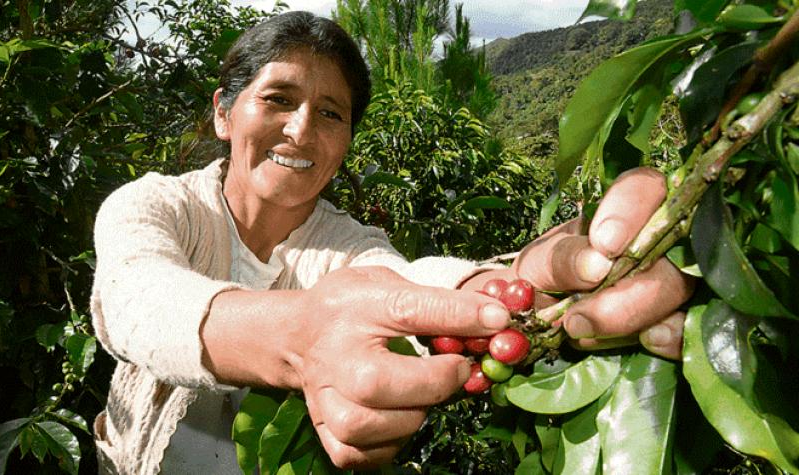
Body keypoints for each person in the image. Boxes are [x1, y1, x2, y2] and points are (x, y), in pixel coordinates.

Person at [89, 11, 693, 474]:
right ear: (225, 113)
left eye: (331, 114)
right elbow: (138, 298)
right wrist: (300, 336)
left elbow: (403, 284)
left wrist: (505, 288)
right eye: (278, 99)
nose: (301, 129)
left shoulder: (346, 245)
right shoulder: (158, 205)